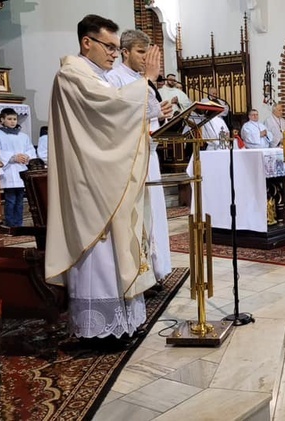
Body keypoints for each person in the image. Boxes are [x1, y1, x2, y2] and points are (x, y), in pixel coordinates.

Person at [45, 14, 161, 341]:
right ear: (87, 42)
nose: (114, 53)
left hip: (106, 175)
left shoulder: (101, 78)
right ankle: (100, 330)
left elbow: (119, 115)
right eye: (109, 46)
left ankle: (124, 322)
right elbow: (112, 110)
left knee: (118, 251)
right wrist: (147, 82)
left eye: (115, 47)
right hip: (89, 183)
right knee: (99, 256)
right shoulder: (72, 76)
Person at [106, 29, 174, 286]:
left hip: (150, 154)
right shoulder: (115, 79)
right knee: (139, 216)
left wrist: (163, 114)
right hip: (130, 158)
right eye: (140, 52)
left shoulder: (141, 79)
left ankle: (158, 270)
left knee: (155, 213)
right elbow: (120, 115)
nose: (146, 58)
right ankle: (140, 273)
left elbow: (150, 116)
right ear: (125, 52)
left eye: (149, 52)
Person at [0, 108, 36, 227]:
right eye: (9, 119)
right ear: (2, 120)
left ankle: (19, 224)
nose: (12, 122)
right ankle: (11, 224)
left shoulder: (23, 136)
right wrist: (13, 157)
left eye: (14, 119)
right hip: (8, 170)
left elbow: (30, 149)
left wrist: (27, 156)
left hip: (21, 170)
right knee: (10, 200)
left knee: (20, 200)